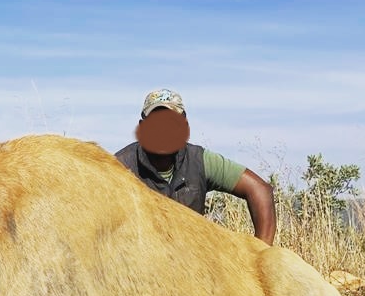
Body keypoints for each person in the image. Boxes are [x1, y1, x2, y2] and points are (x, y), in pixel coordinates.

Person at [115, 88, 276, 245]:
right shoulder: (119, 167)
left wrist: (261, 255)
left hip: (193, 262)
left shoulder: (199, 160)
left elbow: (260, 189)